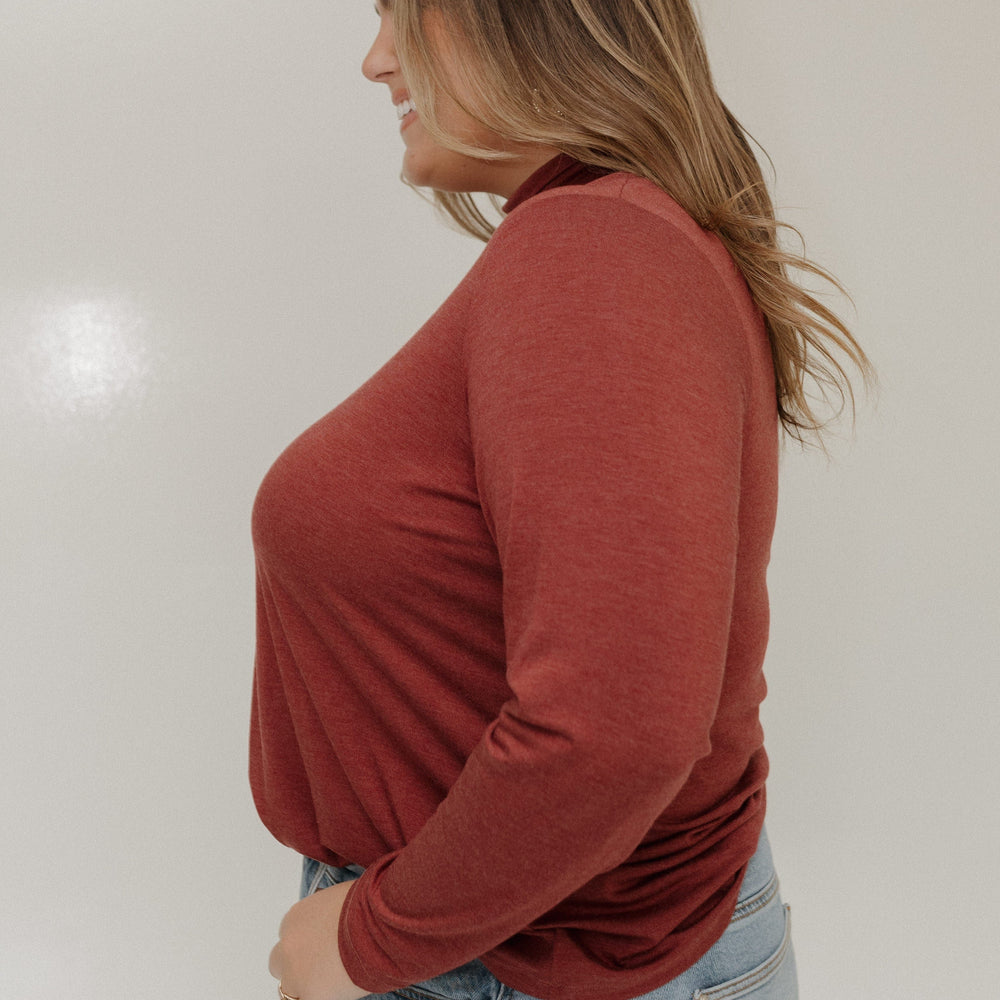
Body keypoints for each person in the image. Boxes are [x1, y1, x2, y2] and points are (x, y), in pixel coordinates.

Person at [254, 2, 872, 999]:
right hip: (544, 928)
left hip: (519, 951)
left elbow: (615, 728)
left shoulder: (590, 252)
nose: (375, 63)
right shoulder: (619, 238)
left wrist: (376, 935)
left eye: (403, 18)